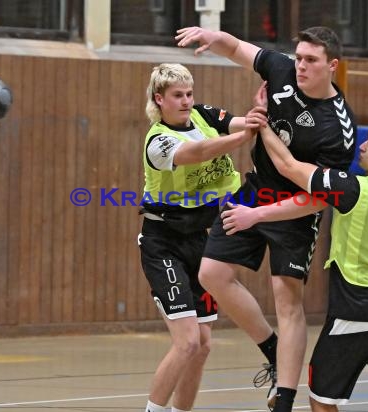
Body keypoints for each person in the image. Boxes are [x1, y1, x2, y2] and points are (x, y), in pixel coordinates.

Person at [176, 26, 357, 411]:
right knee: (211, 273)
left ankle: (286, 400)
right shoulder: (281, 70)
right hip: (257, 187)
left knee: (286, 298)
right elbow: (239, 48)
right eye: (299, 57)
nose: (301, 66)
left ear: (333, 66)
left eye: (311, 60)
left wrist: (257, 215)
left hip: (296, 206)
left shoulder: (338, 129)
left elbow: (317, 199)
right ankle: (272, 349)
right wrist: (213, 36)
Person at [223, 94, 368, 411]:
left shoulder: (352, 189)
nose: (361, 147)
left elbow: (288, 166)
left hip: (355, 310)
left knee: (321, 401)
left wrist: (266, 126)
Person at [138, 63, 259, 412]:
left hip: (201, 240)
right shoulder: (157, 140)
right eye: (177, 95)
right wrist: (241, 138)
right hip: (163, 243)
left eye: (189, 93)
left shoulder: (203, 115)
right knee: (187, 342)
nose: (186, 101)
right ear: (159, 99)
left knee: (203, 344)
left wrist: (261, 114)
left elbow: (240, 122)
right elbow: (198, 154)